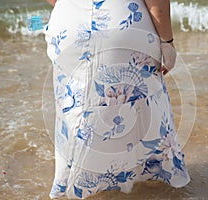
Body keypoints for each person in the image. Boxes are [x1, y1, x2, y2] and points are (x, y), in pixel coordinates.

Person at [44, 0, 190, 199]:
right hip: (121, 22)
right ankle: (135, 181)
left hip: (68, 24)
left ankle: (81, 184)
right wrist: (167, 41)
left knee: (76, 106)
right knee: (137, 105)